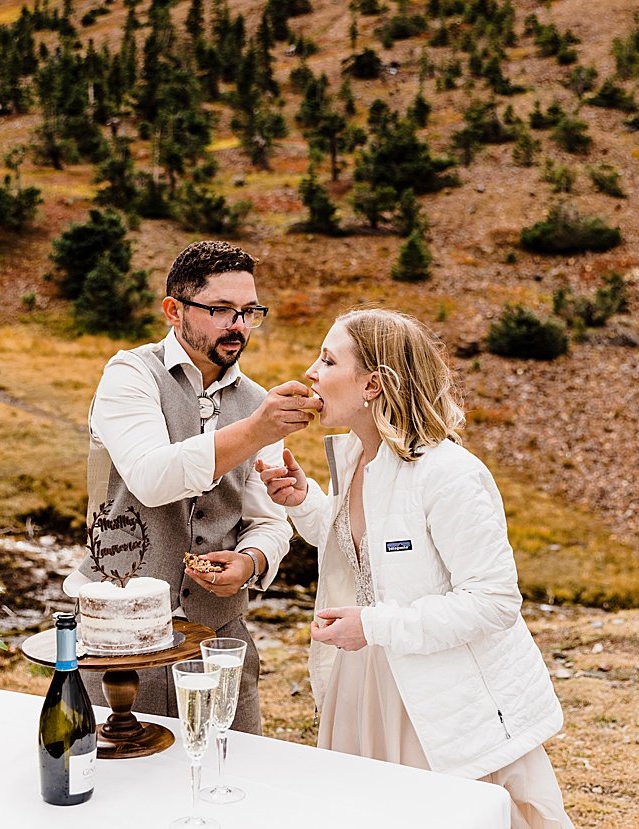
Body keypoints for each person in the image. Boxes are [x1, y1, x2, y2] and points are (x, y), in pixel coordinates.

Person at [257, 308, 572, 828]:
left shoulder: (449, 474)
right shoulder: (357, 457)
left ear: (373, 384)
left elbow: (494, 601)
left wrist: (374, 626)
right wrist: (302, 500)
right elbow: (359, 551)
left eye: (328, 359)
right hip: (364, 681)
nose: (311, 372)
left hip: (441, 697)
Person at [76, 240, 320, 732]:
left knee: (230, 781)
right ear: (173, 310)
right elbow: (151, 477)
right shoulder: (129, 375)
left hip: (221, 643)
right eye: (221, 310)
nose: (239, 325)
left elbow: (270, 522)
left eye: (250, 311)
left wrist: (251, 560)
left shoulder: (256, 400)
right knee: (121, 789)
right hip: (120, 638)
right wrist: (255, 430)